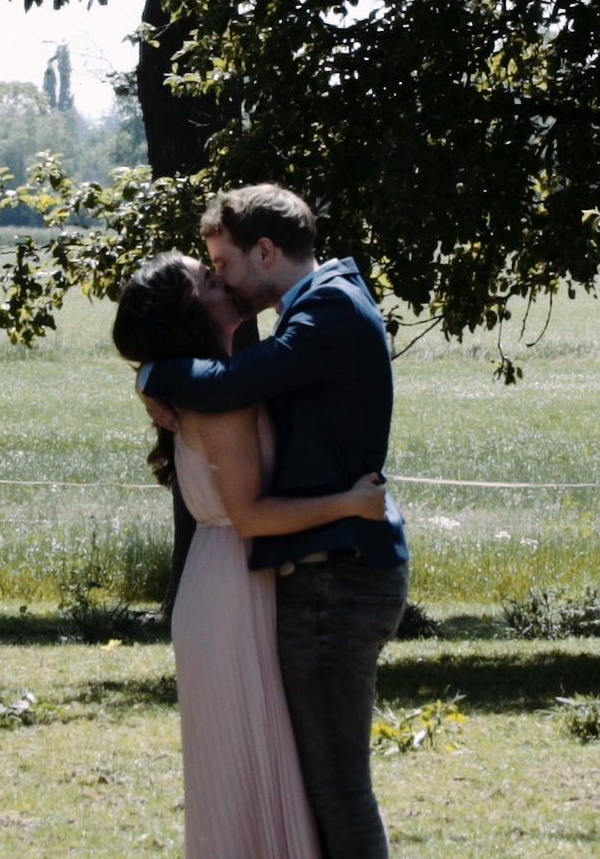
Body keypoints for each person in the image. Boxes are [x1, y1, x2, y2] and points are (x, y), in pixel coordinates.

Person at [139, 185, 410, 859]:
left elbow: (228, 387)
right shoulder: (322, 304)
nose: (222, 278)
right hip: (325, 572)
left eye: (224, 262)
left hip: (336, 575)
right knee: (323, 791)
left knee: (339, 794)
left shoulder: (327, 312)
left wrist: (152, 366)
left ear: (265, 250)